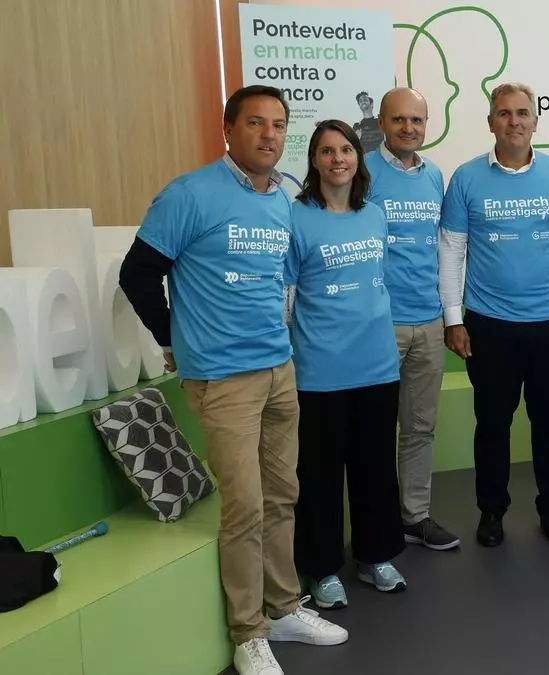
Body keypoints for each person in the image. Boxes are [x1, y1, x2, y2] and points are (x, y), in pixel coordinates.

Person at [119, 85, 347, 675]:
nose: (269, 135)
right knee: (244, 505)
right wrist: (173, 338)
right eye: (255, 123)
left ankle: (284, 607)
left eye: (279, 125)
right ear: (228, 129)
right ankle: (249, 633)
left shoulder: (282, 199)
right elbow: (138, 274)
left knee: (283, 494)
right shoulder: (189, 194)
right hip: (223, 379)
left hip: (278, 368)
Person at [438, 82, 549, 547]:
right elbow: (451, 251)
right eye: (504, 113)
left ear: (535, 122)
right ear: (491, 122)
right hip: (488, 325)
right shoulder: (466, 178)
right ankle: (491, 511)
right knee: (492, 424)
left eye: (522, 113)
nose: (514, 121)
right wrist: (453, 318)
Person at [285, 119, 406, 611]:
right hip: (320, 371)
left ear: (359, 157)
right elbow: (286, 298)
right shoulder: (296, 218)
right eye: (327, 151)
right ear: (314, 161)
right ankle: (321, 568)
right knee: (319, 476)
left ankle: (375, 556)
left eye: (346, 150)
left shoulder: (374, 215)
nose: (338, 159)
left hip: (377, 365)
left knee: (376, 468)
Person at [364, 87, 461, 551]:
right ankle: (377, 523)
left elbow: (442, 248)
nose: (408, 128)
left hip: (429, 320)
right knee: (376, 432)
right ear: (382, 122)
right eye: (399, 119)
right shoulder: (362, 170)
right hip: (379, 324)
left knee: (420, 428)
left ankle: (414, 516)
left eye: (416, 120)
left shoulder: (434, 176)